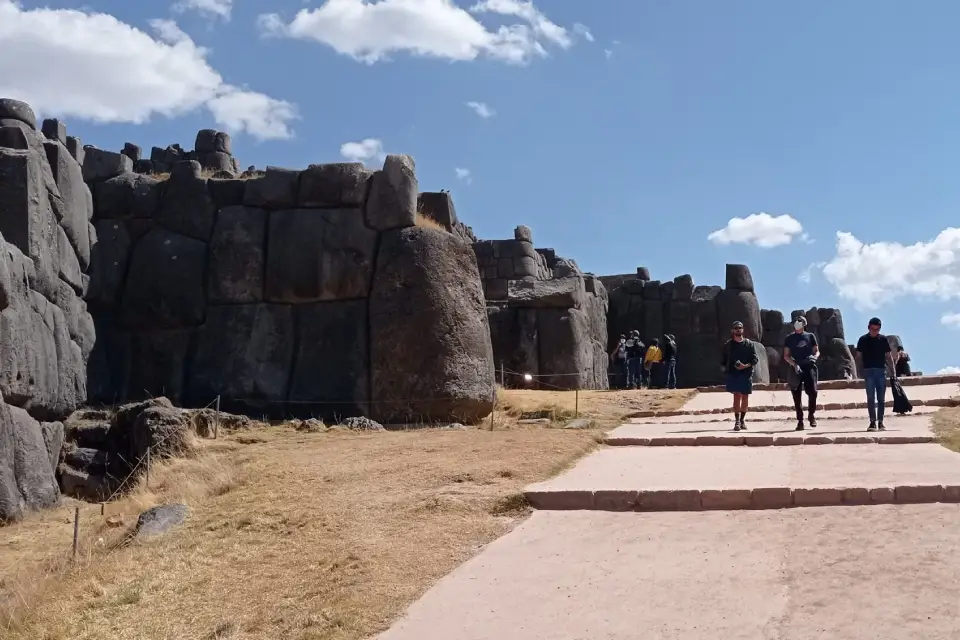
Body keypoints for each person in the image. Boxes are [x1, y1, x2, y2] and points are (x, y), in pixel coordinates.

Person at [855, 317, 898, 431]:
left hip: (880, 371)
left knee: (881, 399)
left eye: (877, 329)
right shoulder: (863, 339)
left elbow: (888, 356)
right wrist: (858, 371)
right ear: (869, 327)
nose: (875, 331)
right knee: (870, 398)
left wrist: (893, 372)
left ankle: (881, 421)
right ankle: (872, 422)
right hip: (868, 371)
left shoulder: (883, 339)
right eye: (873, 329)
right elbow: (858, 357)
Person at [783, 316, 819, 431]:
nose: (797, 323)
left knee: (813, 392)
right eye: (796, 321)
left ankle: (811, 415)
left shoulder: (810, 336)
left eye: (800, 321)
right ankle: (800, 421)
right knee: (796, 395)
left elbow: (817, 351)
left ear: (804, 324)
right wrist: (794, 364)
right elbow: (786, 355)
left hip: (809, 365)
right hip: (795, 366)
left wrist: (815, 357)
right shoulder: (789, 338)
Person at [721, 321, 759, 431]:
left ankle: (743, 420)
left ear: (743, 330)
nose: (738, 329)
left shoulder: (749, 344)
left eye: (740, 328)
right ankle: (737, 421)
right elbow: (723, 360)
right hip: (733, 374)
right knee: (736, 396)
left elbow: (755, 359)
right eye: (736, 328)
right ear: (732, 330)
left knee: (745, 396)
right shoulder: (728, 345)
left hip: (746, 373)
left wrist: (745, 366)